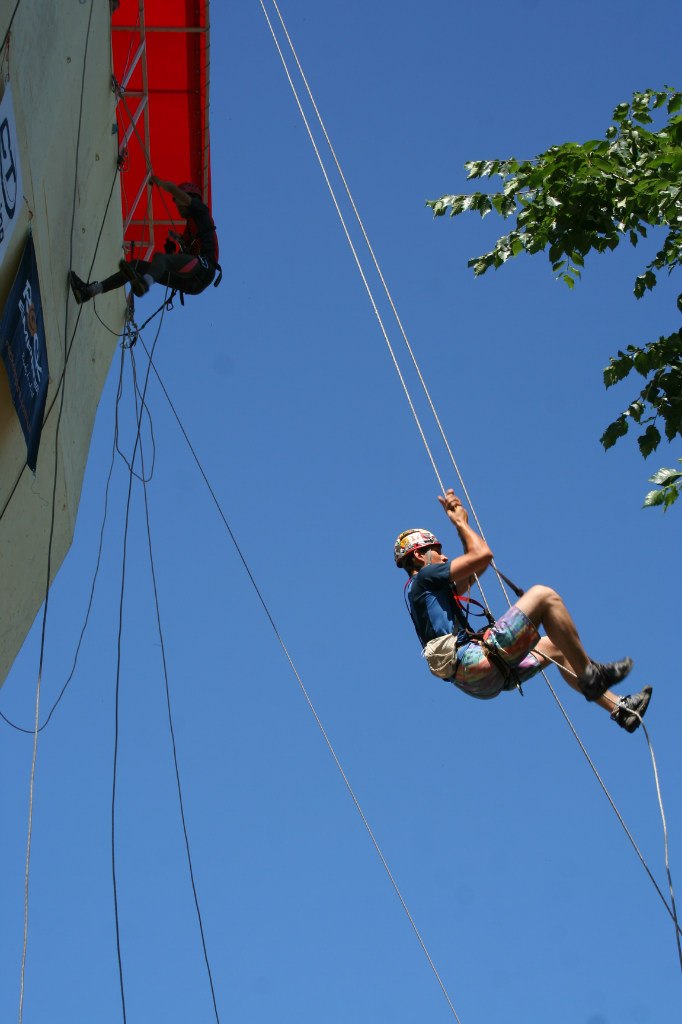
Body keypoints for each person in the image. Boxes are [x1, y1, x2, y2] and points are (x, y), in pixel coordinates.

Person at [395, 488, 652, 733]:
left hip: (478, 683)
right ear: (419, 556)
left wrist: (463, 527)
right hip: (475, 663)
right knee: (544, 596)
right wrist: (461, 523)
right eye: (437, 553)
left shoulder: (424, 592)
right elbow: (482, 555)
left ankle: (620, 709)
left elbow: (473, 568)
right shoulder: (426, 578)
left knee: (557, 647)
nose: (444, 558)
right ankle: (591, 676)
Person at [69, 176, 220, 304]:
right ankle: (89, 292)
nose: (176, 205)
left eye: (178, 201)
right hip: (191, 282)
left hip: (204, 270)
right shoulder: (190, 228)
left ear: (190, 197)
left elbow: (175, 190)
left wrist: (159, 182)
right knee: (135, 266)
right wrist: (176, 251)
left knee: (161, 259)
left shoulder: (200, 210)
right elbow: (187, 257)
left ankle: (144, 283)